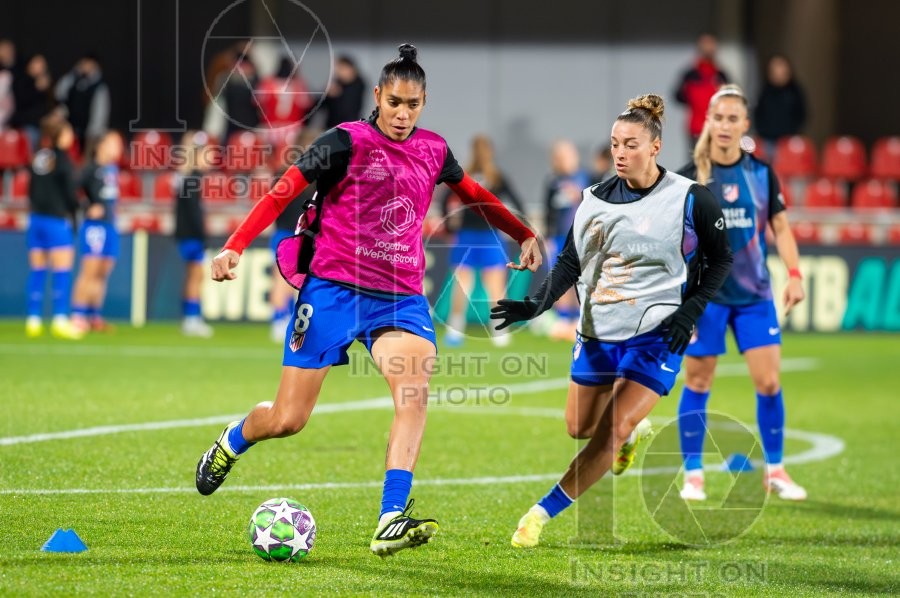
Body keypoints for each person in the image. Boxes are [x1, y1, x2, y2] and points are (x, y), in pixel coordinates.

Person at [194, 44, 542, 557]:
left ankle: (390, 517)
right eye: (395, 102)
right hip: (333, 290)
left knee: (414, 387)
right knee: (289, 419)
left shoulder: (434, 150)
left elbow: (474, 194)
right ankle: (233, 440)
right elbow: (280, 191)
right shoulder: (344, 143)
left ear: (424, 102)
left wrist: (523, 231)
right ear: (377, 96)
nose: (403, 115)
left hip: (399, 296)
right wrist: (234, 246)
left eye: (413, 105)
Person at [490, 93, 732, 548]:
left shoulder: (690, 199)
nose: (620, 152)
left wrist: (690, 312)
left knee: (607, 432)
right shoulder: (593, 201)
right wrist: (535, 305)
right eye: (616, 143)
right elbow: (568, 263)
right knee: (577, 427)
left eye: (632, 144)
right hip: (598, 331)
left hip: (658, 336)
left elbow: (721, 260)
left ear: (655, 146)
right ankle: (631, 433)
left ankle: (539, 515)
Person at [677, 84, 807, 502]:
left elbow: (781, 227)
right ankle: (693, 475)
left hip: (753, 296)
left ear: (745, 124)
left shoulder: (761, 174)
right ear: (707, 123)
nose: (725, 125)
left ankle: (776, 470)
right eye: (719, 118)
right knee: (698, 380)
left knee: (769, 383)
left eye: (734, 118)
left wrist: (794, 273)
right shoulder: (686, 178)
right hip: (704, 299)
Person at [441, 134, 526, 347]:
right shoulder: (496, 177)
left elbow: (444, 200)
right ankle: (499, 332)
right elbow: (518, 205)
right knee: (494, 286)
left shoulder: (465, 175)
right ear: (491, 152)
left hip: (466, 236)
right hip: (489, 236)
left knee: (462, 285)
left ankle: (455, 330)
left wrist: (451, 227)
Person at [24, 114, 84, 339]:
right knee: (62, 271)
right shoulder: (64, 159)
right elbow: (70, 192)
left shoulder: (39, 157)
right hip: (56, 220)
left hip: (36, 219)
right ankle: (60, 318)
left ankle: (33, 319)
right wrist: (76, 208)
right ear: (61, 135)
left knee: (37, 271)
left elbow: (30, 189)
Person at [268, 127, 321, 342]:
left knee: (300, 282)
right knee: (282, 279)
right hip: (286, 234)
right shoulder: (286, 175)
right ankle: (278, 319)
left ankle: (290, 319)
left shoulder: (318, 179)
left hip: (302, 236)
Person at [71, 130, 124, 333]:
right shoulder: (89, 168)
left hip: (110, 225)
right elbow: (70, 189)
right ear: (101, 145)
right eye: (114, 144)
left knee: (103, 272)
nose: (118, 149)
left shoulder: (112, 169)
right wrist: (87, 207)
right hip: (95, 227)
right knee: (89, 271)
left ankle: (94, 316)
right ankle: (78, 316)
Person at [543, 140, 589, 340]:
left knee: (581, 278)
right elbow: (548, 211)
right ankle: (563, 320)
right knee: (561, 278)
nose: (564, 160)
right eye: (560, 157)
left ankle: (580, 320)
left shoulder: (586, 178)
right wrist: (548, 236)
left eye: (567, 156)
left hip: (582, 236)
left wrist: (578, 195)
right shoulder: (553, 181)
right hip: (560, 237)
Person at [174, 131, 215, 338]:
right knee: (196, 277)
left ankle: (189, 317)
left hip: (185, 235)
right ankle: (192, 318)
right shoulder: (193, 178)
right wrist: (203, 238)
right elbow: (194, 213)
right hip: (192, 236)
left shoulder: (187, 177)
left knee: (192, 275)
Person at [674, 33, 729, 149]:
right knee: (697, 163)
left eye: (711, 44)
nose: (708, 47)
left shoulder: (720, 75)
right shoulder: (690, 74)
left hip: (717, 128)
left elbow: (732, 98)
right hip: (696, 129)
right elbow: (678, 96)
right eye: (705, 44)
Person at [55, 54, 110, 157]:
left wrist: (94, 131)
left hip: (89, 131)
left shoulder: (99, 87)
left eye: (89, 64)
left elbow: (100, 112)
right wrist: (73, 74)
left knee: (87, 158)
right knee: (67, 156)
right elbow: (59, 92)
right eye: (84, 63)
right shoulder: (73, 80)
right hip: (70, 128)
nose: (86, 67)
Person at [754, 55, 807, 159]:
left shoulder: (795, 92)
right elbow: (758, 114)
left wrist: (793, 132)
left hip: (788, 141)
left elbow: (802, 114)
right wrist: (762, 132)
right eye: (775, 69)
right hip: (767, 141)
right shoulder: (765, 92)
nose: (778, 72)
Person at [256, 55, 314, 147]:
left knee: (270, 156)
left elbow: (257, 103)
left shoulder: (267, 83)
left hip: (271, 129)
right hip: (293, 130)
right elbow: (307, 104)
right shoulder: (299, 85)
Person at [12, 54, 55, 150]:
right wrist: (37, 88)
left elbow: (50, 103)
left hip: (44, 126)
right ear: (30, 65)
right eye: (38, 63)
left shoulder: (47, 81)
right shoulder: (22, 79)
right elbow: (22, 101)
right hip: (28, 124)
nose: (41, 67)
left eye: (43, 65)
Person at [322, 55, 366, 129]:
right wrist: (327, 95)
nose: (339, 72)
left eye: (342, 69)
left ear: (351, 69)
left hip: (350, 127)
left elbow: (350, 107)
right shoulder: (336, 83)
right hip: (331, 126)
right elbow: (322, 106)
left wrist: (338, 93)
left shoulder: (358, 84)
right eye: (338, 69)